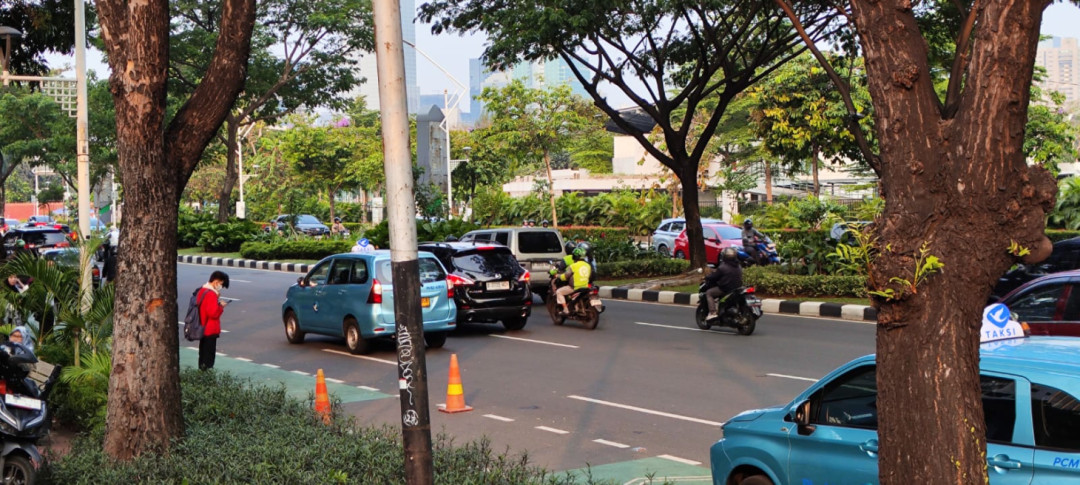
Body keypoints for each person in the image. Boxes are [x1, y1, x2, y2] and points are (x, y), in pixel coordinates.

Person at [197, 271, 230, 370]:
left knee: (203, 354)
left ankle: (201, 374)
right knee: (209, 357)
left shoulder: (202, 290)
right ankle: (206, 375)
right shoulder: (211, 294)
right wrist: (221, 307)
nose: (221, 287)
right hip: (210, 329)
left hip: (202, 327)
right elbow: (213, 313)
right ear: (216, 281)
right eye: (221, 284)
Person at [704, 247, 743, 320]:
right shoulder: (739, 266)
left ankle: (712, 312)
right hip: (737, 288)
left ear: (724, 256)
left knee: (709, 293)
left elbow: (714, 276)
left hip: (725, 289)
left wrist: (706, 277)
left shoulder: (723, 267)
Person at [551, 246, 592, 315]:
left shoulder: (573, 266)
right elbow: (590, 276)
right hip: (585, 286)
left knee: (559, 292)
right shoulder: (588, 265)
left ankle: (565, 310)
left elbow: (565, 276)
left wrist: (558, 276)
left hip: (574, 288)